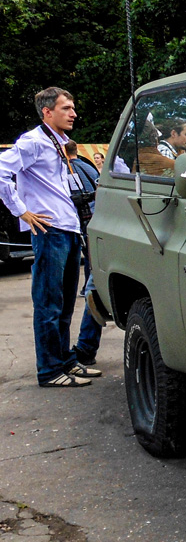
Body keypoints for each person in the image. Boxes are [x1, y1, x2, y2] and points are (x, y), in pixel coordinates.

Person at [0, 87, 102, 387]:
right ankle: (50, 370)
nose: (73, 113)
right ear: (47, 112)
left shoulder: (58, 142)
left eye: (72, 108)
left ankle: (66, 361)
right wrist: (22, 211)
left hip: (67, 227)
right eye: (66, 108)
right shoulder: (33, 142)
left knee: (66, 301)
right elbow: (1, 172)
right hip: (50, 230)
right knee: (48, 303)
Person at [64, 141, 103, 367]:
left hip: (89, 230)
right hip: (95, 229)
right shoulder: (87, 167)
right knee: (93, 284)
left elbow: (79, 203)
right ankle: (86, 346)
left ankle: (87, 347)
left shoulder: (71, 170)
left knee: (93, 286)